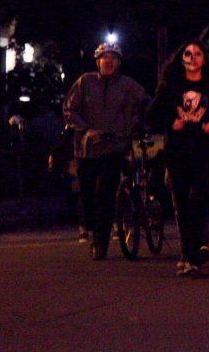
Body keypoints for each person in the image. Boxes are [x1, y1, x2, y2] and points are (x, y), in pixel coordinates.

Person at [62, 41, 148, 260]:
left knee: (105, 192)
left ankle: (101, 243)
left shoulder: (128, 85)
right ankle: (91, 231)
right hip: (87, 149)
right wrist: (87, 130)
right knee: (88, 194)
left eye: (113, 58)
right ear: (97, 61)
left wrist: (139, 122)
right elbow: (69, 110)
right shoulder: (84, 82)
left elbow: (146, 103)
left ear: (118, 63)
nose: (108, 62)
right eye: (104, 58)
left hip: (115, 146)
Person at [148, 40, 209, 276]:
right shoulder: (172, 85)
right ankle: (188, 254)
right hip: (178, 150)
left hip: (203, 150)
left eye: (198, 54)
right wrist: (170, 122)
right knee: (181, 201)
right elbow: (154, 112)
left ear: (204, 59)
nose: (193, 58)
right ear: (181, 58)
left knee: (197, 196)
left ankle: (196, 250)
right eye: (188, 54)